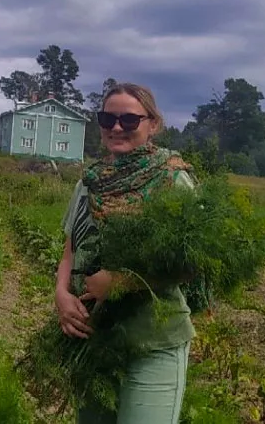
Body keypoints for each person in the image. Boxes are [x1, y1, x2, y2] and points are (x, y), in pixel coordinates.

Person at [55, 82, 196, 424]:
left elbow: (191, 264)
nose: (117, 127)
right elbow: (71, 247)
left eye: (130, 120)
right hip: (96, 338)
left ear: (153, 125)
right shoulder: (90, 181)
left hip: (154, 342)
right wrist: (60, 294)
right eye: (107, 119)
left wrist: (118, 283)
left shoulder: (172, 181)